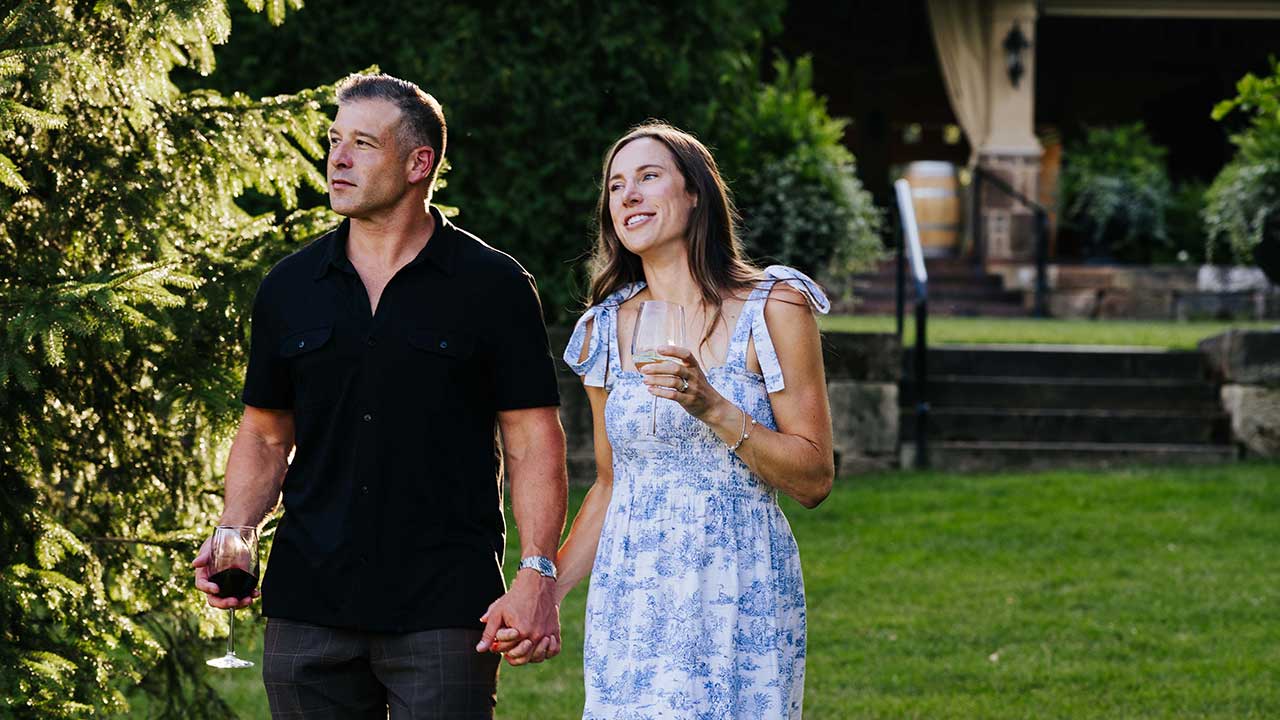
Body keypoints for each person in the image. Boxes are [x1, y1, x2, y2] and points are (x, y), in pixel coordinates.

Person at [192, 72, 568, 719]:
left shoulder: (494, 286)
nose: (337, 158)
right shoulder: (289, 287)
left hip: (445, 607)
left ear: (419, 163)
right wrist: (236, 530)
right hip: (308, 604)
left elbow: (534, 439)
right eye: (335, 140)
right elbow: (265, 432)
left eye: (362, 144)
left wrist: (537, 571)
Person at [501, 122, 835, 717]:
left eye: (648, 177)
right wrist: (545, 591)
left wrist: (713, 407)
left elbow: (814, 477)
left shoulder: (774, 307)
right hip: (633, 590)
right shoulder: (605, 328)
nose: (627, 194)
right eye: (615, 186)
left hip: (737, 581)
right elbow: (610, 483)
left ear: (695, 192)